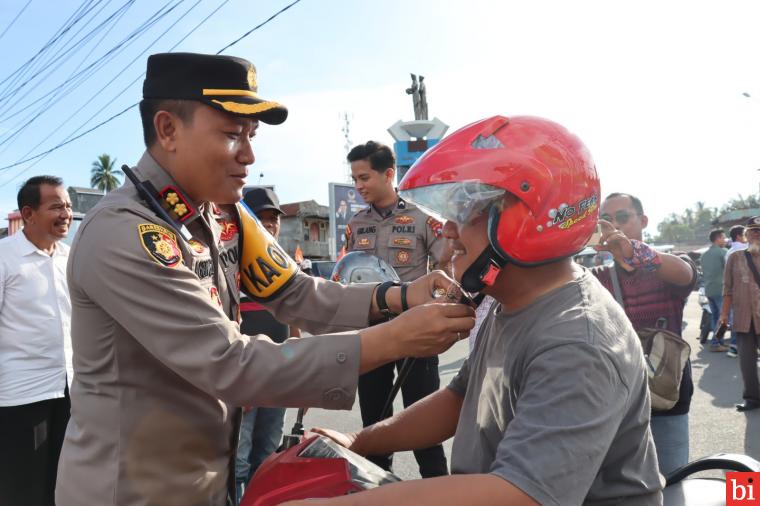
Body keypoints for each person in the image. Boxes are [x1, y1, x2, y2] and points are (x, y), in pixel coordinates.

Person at [55, 52, 474, 506]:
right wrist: (395, 339)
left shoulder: (224, 216)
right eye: (233, 135)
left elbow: (294, 290)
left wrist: (400, 295)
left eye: (251, 136)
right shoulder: (124, 232)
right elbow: (229, 362)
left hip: (207, 482)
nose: (250, 156)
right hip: (132, 491)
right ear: (168, 129)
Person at [297, 116, 663, 506]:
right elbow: (459, 398)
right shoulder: (513, 306)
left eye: (466, 213)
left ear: (525, 222)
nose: (448, 231)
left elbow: (519, 494)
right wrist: (359, 440)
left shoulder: (578, 340)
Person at [345, 140, 450, 477]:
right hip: (371, 331)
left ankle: (438, 493)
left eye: (364, 178)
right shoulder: (356, 224)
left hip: (417, 331)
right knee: (373, 426)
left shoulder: (423, 219)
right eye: (355, 180)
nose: (359, 186)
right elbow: (345, 274)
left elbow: (447, 268)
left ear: (389, 174)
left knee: (425, 427)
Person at [591, 192, 697, 476]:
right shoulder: (597, 276)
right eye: (607, 220)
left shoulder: (666, 264)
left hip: (666, 393)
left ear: (643, 220)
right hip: (616, 396)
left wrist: (632, 251)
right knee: (624, 484)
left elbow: (685, 274)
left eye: (623, 217)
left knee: (672, 477)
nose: (614, 226)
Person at [0, 176, 73, 506]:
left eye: (68, 206)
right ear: (28, 214)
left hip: (71, 389)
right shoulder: (5, 257)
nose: (66, 213)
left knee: (64, 483)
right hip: (21, 395)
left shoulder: (70, 258)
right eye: (56, 206)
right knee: (23, 488)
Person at [235, 187, 300, 500]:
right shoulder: (229, 263)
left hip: (280, 377)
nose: (268, 224)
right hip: (244, 377)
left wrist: (299, 372)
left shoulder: (285, 262)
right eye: (259, 217)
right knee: (237, 463)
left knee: (268, 457)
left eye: (273, 218)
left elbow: (295, 321)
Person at [719, 216, 760, 411]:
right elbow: (727, 289)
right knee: (746, 361)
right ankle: (752, 398)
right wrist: (724, 315)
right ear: (746, 235)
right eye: (753, 231)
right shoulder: (735, 257)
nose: (757, 234)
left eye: (759, 231)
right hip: (744, 318)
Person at [701, 228, 729, 351]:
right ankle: (715, 343)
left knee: (716, 316)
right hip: (721, 289)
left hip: (709, 290)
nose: (725, 239)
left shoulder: (704, 255)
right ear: (717, 239)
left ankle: (719, 342)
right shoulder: (723, 252)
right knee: (724, 317)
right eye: (723, 237)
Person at [725, 224, 747, 357]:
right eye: (745, 234)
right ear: (739, 236)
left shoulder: (729, 252)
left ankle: (734, 347)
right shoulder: (745, 249)